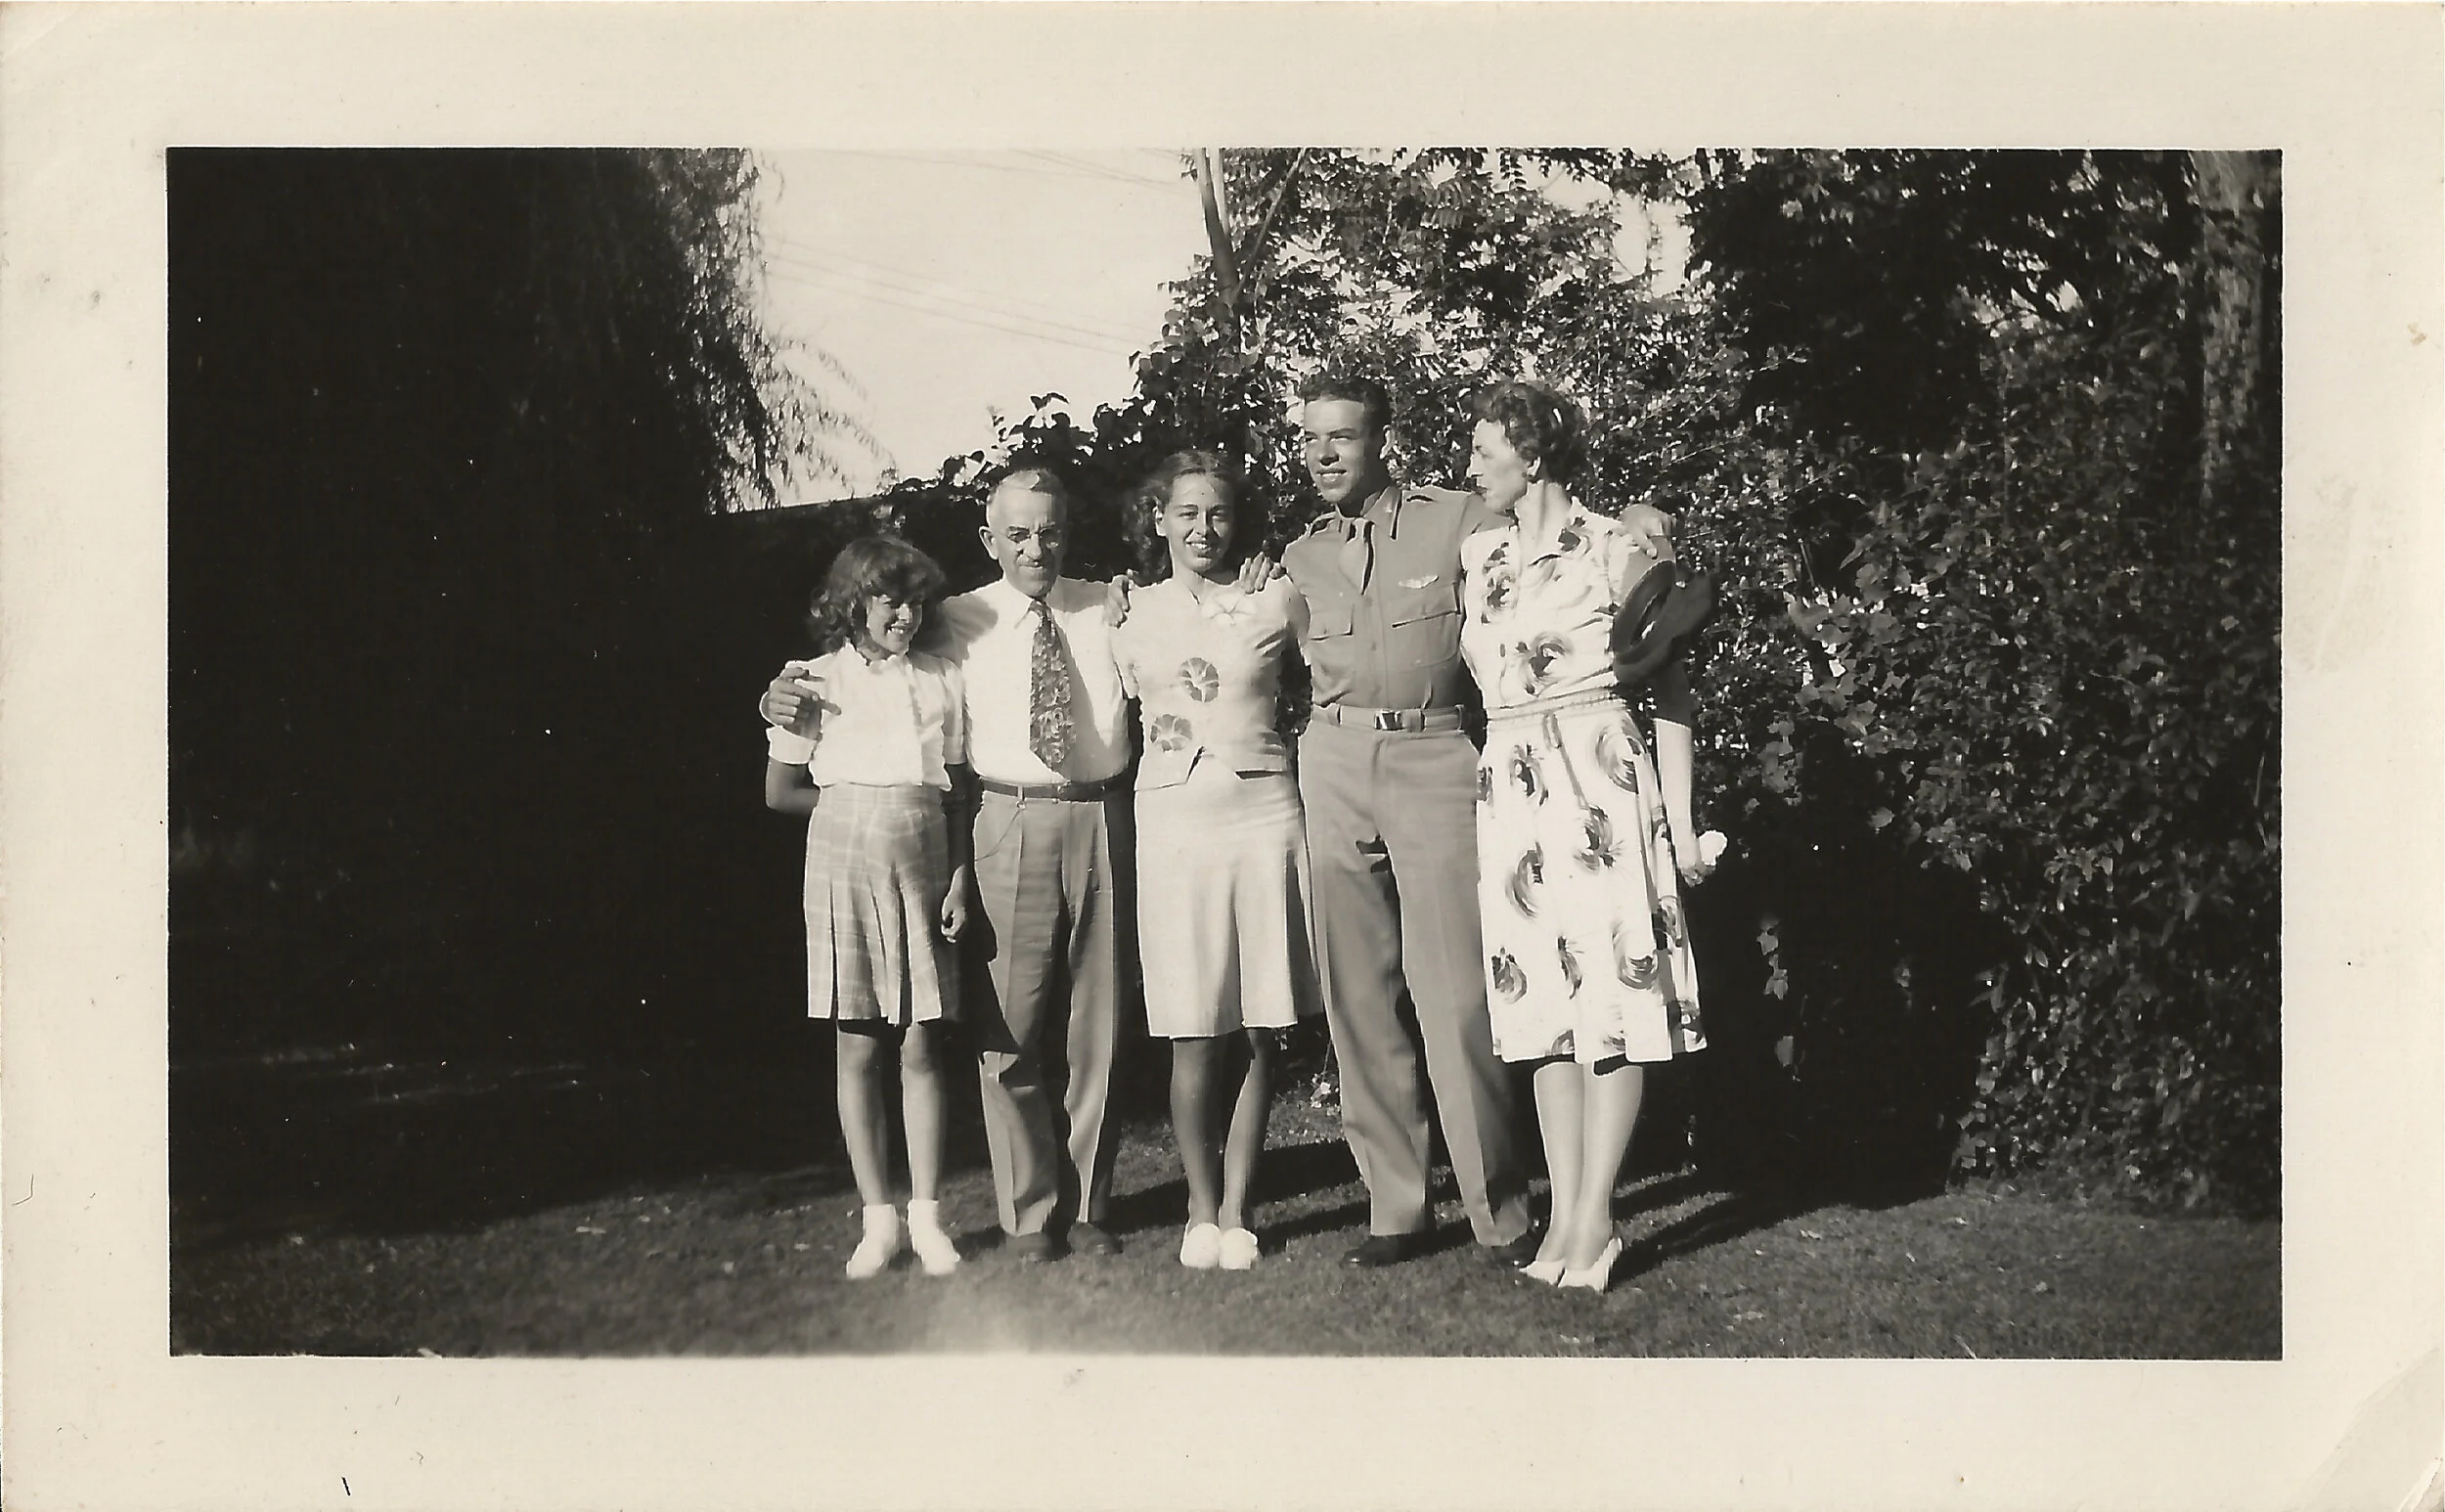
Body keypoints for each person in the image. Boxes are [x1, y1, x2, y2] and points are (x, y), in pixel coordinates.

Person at [1278, 372, 1674, 1267]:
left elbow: (1563, 525)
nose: (1324, 454)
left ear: (1382, 442)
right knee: (1357, 994)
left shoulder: (1458, 518)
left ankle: (1502, 1209)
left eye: (1341, 436)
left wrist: (1644, 517)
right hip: (1334, 760)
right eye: (1310, 439)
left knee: (1460, 993)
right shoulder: (1296, 557)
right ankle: (1398, 1207)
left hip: (1435, 753)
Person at [765, 467, 1131, 1264]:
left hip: (1100, 812)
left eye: (1052, 530)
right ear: (989, 539)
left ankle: (1091, 1205)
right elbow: (857, 661)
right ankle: (1031, 1214)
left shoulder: (1110, 604)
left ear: (1069, 530)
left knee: (1096, 1027)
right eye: (1019, 532)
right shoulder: (954, 621)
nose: (1037, 546)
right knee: (1011, 1028)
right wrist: (779, 697)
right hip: (1005, 817)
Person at [1456, 379, 1712, 1292]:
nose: (1472, 465)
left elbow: (1671, 693)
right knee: (1543, 1015)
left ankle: (1595, 1218)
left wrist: (1681, 828)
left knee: (1611, 1000)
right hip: (1511, 789)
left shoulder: (1614, 547)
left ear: (1534, 455)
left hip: (1595, 783)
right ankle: (1562, 1224)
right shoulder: (1479, 554)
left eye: (1486, 450)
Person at [1112, 451, 1321, 1270]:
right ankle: (1200, 1212)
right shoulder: (1121, 612)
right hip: (1172, 820)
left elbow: (1338, 677)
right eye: (1187, 513)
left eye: (1219, 515)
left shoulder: (1276, 593)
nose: (1204, 529)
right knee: (1193, 1027)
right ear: (1158, 519)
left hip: (1264, 815)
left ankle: (1239, 1211)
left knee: (1260, 1023)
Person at [763, 536, 970, 1280]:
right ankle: (877, 1219)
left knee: (921, 1044)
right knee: (857, 1042)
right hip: (843, 860)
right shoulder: (812, 681)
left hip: (924, 857)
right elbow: (780, 792)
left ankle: (928, 1217)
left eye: (916, 602)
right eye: (891, 600)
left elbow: (957, 790)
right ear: (855, 602)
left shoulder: (941, 679)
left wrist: (956, 877)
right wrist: (853, 807)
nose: (907, 616)